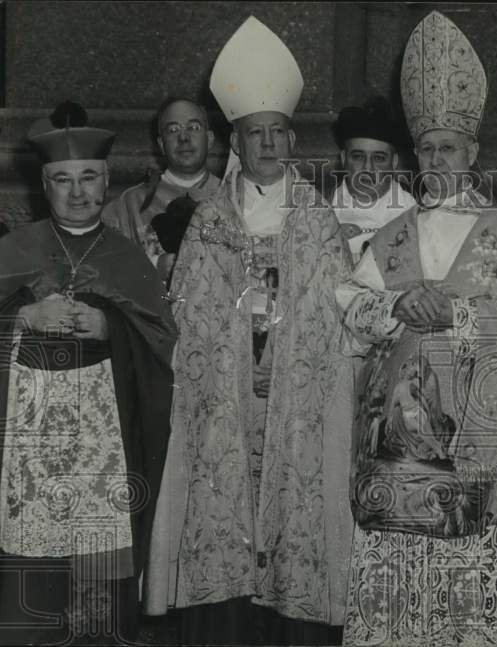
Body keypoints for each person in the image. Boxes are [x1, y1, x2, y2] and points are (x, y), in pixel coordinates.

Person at [336, 11, 497, 646]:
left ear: (473, 153)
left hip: (469, 445)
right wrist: (394, 310)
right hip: (394, 451)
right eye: (426, 148)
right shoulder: (390, 239)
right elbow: (349, 311)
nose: (435, 159)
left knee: (460, 584)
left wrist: (458, 314)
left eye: (448, 147)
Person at [145, 16, 356, 645]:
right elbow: (190, 313)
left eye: (277, 133)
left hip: (296, 408)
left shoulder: (320, 220)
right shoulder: (209, 219)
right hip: (227, 407)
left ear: (292, 140)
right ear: (235, 142)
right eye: (254, 134)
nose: (267, 144)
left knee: (298, 528)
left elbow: (334, 314)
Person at [0, 101, 176, 645]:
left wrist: (110, 327)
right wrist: (22, 317)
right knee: (31, 589)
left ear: (105, 183)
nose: (77, 193)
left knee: (98, 594)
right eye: (62, 180)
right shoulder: (14, 249)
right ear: (44, 186)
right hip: (27, 449)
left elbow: (163, 345)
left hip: (105, 448)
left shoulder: (128, 258)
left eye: (88, 179)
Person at [101, 97, 221, 282]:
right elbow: (103, 267)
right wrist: (152, 266)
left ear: (210, 138)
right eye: (173, 130)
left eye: (194, 127)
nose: (184, 138)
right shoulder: (130, 204)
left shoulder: (232, 197)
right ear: (161, 144)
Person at [331, 96, 417, 263]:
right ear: (343, 159)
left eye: (378, 158)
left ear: (394, 162)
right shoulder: (324, 207)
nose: (368, 168)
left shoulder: (411, 212)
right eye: (358, 156)